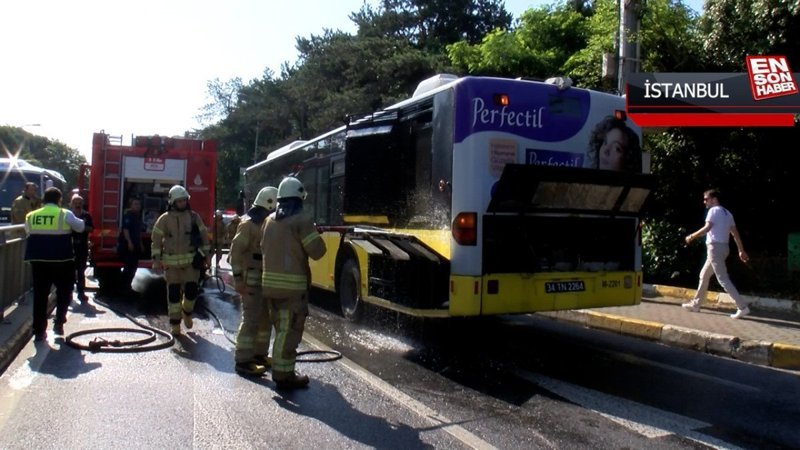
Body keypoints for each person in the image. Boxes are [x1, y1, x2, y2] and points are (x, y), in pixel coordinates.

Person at [261, 177, 326, 389]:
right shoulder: (302, 221)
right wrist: (315, 233)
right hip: (292, 290)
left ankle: (284, 370)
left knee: (280, 329)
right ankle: (283, 374)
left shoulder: (269, 220)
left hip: (269, 286)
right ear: (299, 198)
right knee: (289, 332)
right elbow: (318, 252)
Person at [24, 187, 85, 341]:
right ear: (59, 200)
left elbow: (27, 231)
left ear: (44, 199)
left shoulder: (31, 215)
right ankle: (58, 322)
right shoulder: (65, 214)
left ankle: (39, 331)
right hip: (62, 261)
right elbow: (81, 227)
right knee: (64, 293)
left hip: (38, 262)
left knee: (40, 296)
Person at [151, 185, 211, 336]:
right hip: (171, 267)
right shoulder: (164, 219)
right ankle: (175, 325)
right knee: (173, 296)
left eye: (184, 200)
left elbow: (204, 237)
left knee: (191, 292)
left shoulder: (193, 217)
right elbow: (156, 240)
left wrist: (206, 255)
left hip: (191, 264)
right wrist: (156, 260)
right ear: (173, 202)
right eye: (179, 201)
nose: (182, 203)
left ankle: (187, 311)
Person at [683, 189, 751, 319]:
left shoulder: (713, 211)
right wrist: (741, 250)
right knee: (704, 275)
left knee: (723, 279)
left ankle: (742, 307)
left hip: (715, 248)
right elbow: (735, 234)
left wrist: (691, 236)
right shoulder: (727, 213)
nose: (704, 202)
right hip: (724, 248)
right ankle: (696, 304)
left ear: (714, 199)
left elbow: (707, 228)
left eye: (706, 199)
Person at [231, 186, 278, 376]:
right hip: (250, 280)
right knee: (251, 319)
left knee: (265, 320)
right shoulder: (248, 224)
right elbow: (235, 253)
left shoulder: (270, 223)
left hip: (265, 280)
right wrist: (238, 280)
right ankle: (243, 360)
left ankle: (259, 354)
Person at [70, 194, 94, 303]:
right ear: (72, 203)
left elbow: (91, 228)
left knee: (81, 271)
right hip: (69, 247)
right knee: (69, 272)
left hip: (82, 247)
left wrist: (81, 226)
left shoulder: (86, 215)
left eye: (80, 203)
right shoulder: (68, 215)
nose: (78, 205)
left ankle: (81, 292)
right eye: (76, 202)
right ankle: (68, 293)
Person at [118, 198, 144, 296]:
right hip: (128, 246)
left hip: (135, 245)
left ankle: (128, 287)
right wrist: (129, 242)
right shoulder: (128, 216)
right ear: (131, 205)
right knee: (128, 268)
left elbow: (138, 232)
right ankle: (123, 288)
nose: (138, 206)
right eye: (135, 204)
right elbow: (126, 230)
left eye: (139, 204)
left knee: (133, 267)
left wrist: (140, 244)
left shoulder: (137, 217)